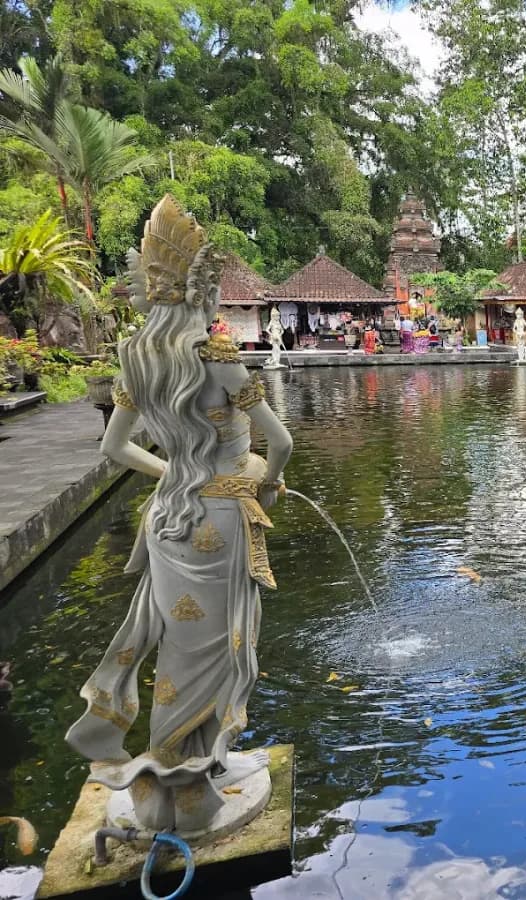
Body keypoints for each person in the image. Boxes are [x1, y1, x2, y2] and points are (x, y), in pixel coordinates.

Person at [66, 196, 293, 832]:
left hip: (168, 518)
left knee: (175, 649)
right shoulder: (216, 357)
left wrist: (174, 474)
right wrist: (265, 486)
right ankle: (187, 786)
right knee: (216, 649)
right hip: (220, 519)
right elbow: (280, 443)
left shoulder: (135, 357)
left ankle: (176, 772)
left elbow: (116, 448)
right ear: (202, 288)